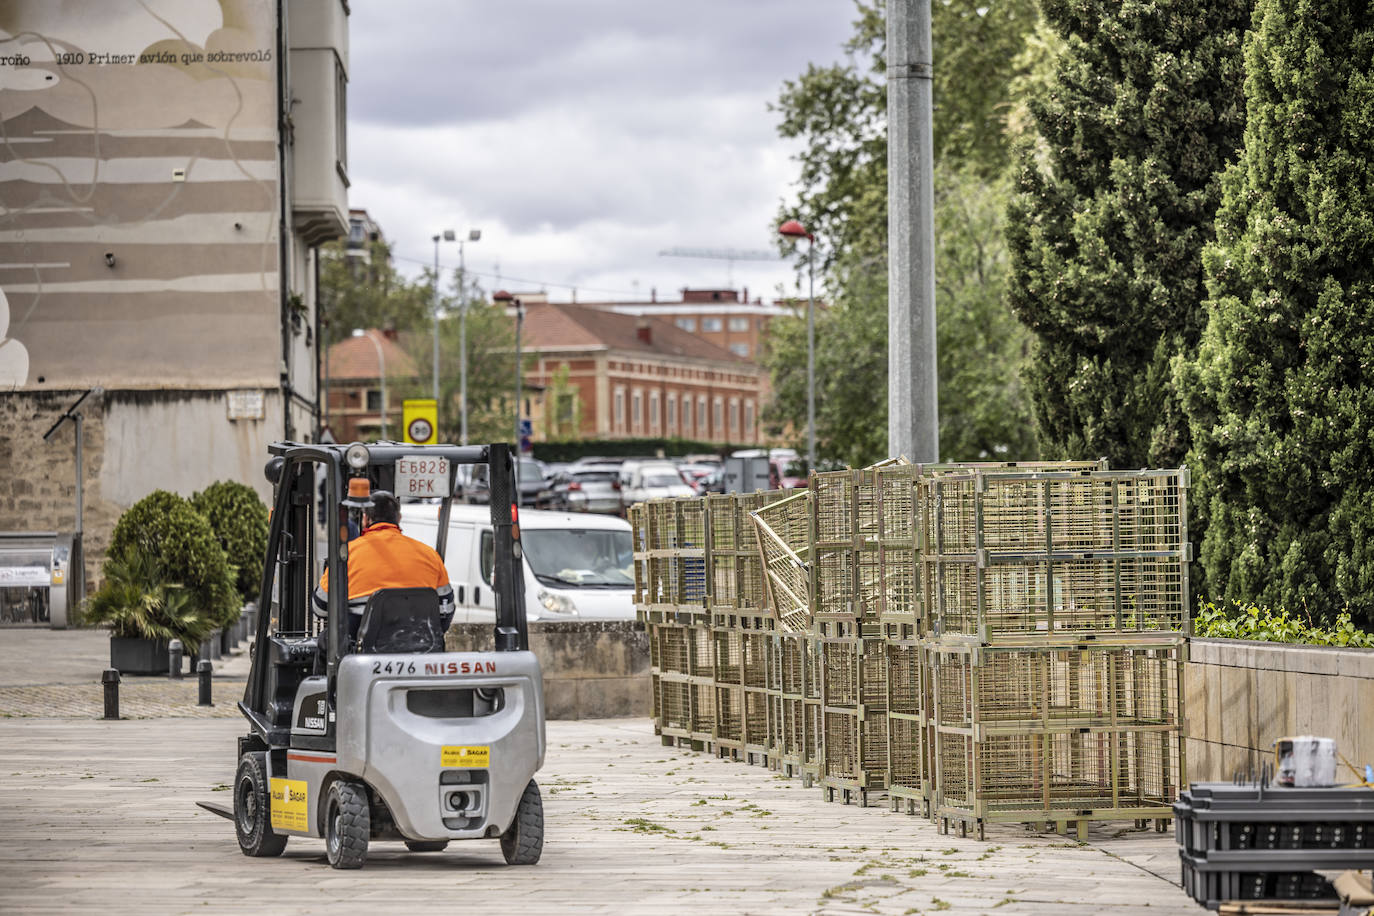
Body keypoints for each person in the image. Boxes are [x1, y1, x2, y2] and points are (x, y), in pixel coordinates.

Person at [313, 489, 454, 638]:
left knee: (325, 640)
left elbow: (320, 608)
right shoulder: (430, 555)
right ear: (399, 518)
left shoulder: (347, 555)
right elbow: (445, 612)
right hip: (418, 645)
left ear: (365, 519)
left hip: (361, 647)